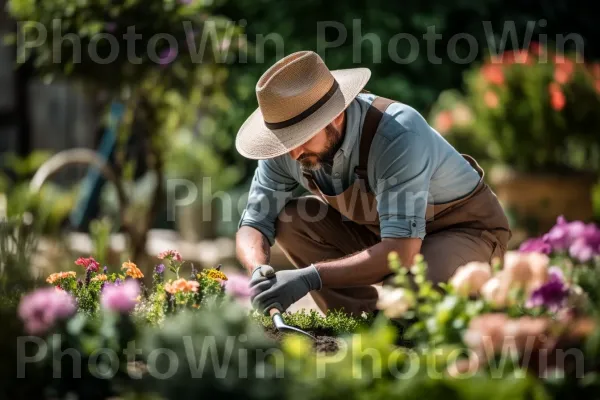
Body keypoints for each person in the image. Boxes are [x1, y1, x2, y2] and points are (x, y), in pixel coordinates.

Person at [235, 51, 511, 316]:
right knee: (290, 219)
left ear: (336, 116)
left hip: (462, 231)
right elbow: (254, 224)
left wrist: (310, 278)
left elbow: (401, 252)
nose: (293, 153)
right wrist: (259, 270)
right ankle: (360, 321)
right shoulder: (287, 149)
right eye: (286, 141)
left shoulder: (398, 133)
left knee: (404, 296)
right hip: (384, 232)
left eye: (301, 138)